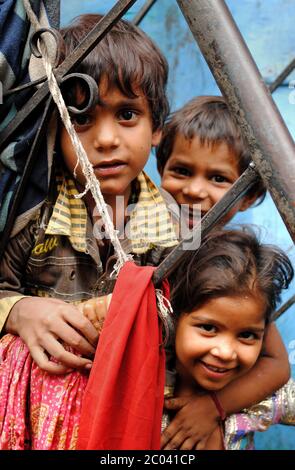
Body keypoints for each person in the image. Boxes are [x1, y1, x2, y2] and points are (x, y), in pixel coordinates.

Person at [0, 13, 178, 449]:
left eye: (127, 114)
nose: (105, 139)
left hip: (129, 415)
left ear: (156, 128)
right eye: (81, 120)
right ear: (53, 128)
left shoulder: (176, 231)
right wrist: (19, 311)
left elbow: (193, 322)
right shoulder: (32, 218)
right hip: (36, 417)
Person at [156, 96, 293, 450]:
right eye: (182, 171)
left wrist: (212, 408)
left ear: (247, 197)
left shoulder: (233, 265)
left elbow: (277, 366)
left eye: (218, 178)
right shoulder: (137, 242)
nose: (194, 191)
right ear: (161, 169)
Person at [166, 228, 294, 449]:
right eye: (208, 328)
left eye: (246, 335)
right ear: (175, 318)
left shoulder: (257, 399)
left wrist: (215, 407)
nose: (225, 352)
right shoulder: (145, 392)